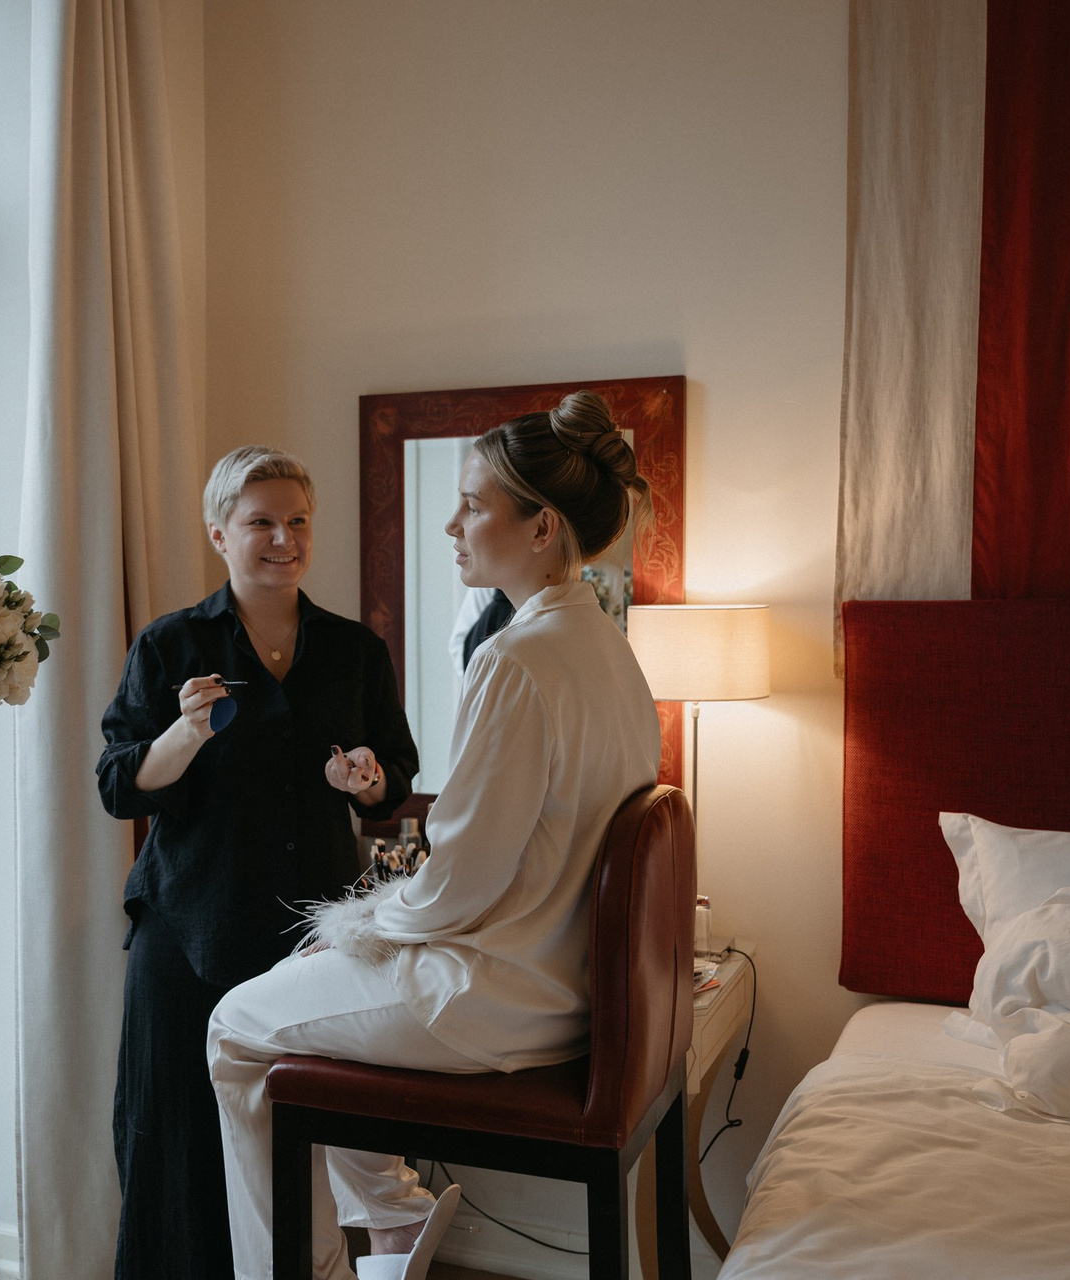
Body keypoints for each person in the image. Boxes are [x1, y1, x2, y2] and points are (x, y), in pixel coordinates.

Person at [207, 392, 661, 1280]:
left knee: (234, 1027)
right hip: (563, 982)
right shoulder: (607, 648)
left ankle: (329, 1260)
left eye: (472, 505)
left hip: (499, 992)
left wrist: (364, 928)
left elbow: (462, 882)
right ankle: (393, 1221)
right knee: (304, 1000)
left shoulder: (516, 659)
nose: (452, 525)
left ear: (541, 528)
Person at [97, 447, 420, 1280]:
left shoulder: (354, 649)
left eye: (298, 520)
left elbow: (393, 779)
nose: (285, 538)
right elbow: (119, 785)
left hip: (314, 943)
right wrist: (185, 734)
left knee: (306, 1147)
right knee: (178, 1141)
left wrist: (367, 779)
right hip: (188, 930)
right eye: (262, 522)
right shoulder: (170, 644)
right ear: (219, 533)